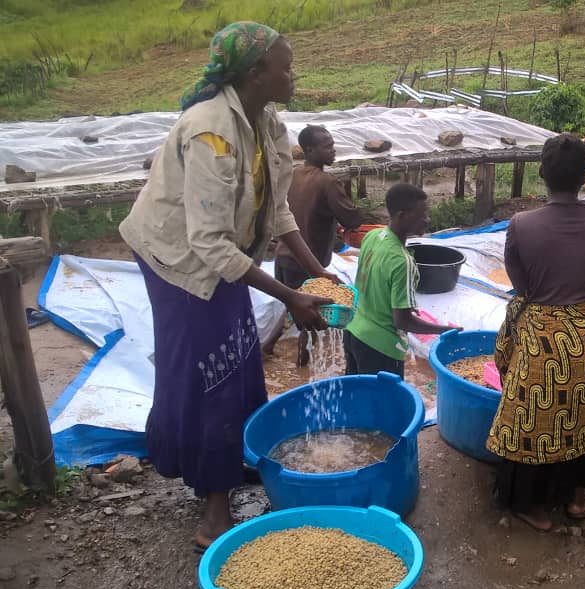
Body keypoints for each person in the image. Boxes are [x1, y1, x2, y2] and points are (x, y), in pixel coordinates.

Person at [118, 22, 337, 550]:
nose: (293, 74)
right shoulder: (209, 131)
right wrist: (287, 296)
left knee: (239, 357)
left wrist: (315, 272)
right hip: (178, 260)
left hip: (220, 256)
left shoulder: (264, 119)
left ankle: (229, 461)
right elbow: (210, 245)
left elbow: (276, 204)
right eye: (285, 66)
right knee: (209, 370)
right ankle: (214, 512)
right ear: (254, 73)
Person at [487, 134, 585, 531]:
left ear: (541, 173)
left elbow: (523, 286)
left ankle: (529, 504)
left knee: (528, 420)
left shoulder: (523, 224)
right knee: (583, 415)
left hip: (545, 340)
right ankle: (577, 498)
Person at [265, 125, 367, 366]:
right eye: (327, 147)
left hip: (284, 256)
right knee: (310, 318)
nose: (333, 151)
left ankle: (268, 346)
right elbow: (352, 219)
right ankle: (304, 366)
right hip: (307, 261)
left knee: (294, 304)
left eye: (333, 145)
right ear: (309, 150)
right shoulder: (326, 182)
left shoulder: (292, 175)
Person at [343, 183, 458, 376]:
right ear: (403, 216)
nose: (427, 220)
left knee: (357, 399)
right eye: (422, 215)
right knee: (386, 405)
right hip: (379, 347)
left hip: (353, 333)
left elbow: (374, 282)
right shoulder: (403, 261)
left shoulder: (373, 236)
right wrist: (443, 331)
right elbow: (403, 322)